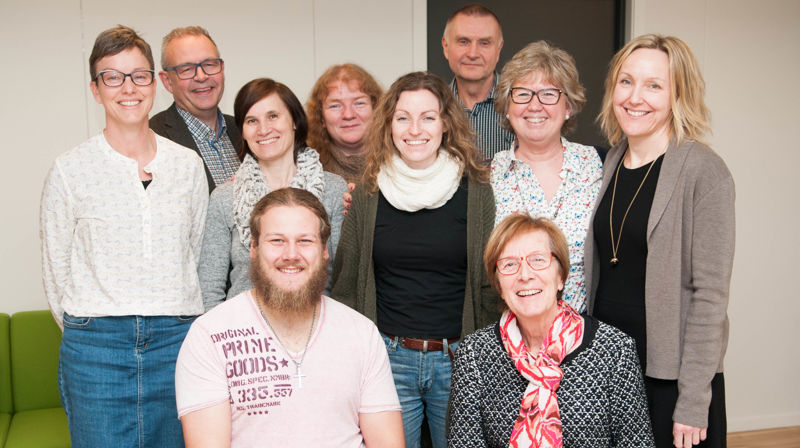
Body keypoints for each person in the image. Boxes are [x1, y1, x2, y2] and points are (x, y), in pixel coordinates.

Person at [40, 25, 208, 447]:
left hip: (177, 339)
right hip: (96, 347)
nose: (127, 87)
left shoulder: (187, 166)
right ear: (96, 89)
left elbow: (199, 252)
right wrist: (91, 325)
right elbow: (55, 268)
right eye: (112, 76)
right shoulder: (69, 169)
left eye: (138, 75)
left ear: (155, 82)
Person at [331, 71, 497, 448]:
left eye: (428, 117)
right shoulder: (369, 191)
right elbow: (345, 283)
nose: (414, 129)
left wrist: (482, 359)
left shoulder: (476, 190)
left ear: (446, 125)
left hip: (458, 360)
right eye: (403, 117)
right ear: (389, 125)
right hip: (387, 361)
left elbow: (489, 286)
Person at [585, 34, 735, 448]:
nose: (636, 97)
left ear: (678, 95)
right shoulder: (609, 162)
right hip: (609, 372)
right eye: (626, 82)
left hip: (670, 380)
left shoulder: (703, 171)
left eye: (654, 85)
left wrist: (692, 402)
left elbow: (710, 297)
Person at [176, 188, 403, 447]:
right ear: (253, 248)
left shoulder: (362, 333)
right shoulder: (210, 335)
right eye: (277, 241)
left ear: (324, 250)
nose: (291, 255)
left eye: (305, 241)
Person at [448, 215, 654, 447]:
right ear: (499, 286)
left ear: (561, 277)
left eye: (538, 260)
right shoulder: (475, 353)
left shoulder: (614, 351)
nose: (524, 275)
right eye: (509, 264)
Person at [198, 78, 347, 312]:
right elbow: (209, 289)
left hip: (314, 327)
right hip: (244, 333)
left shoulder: (334, 190)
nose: (264, 129)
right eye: (251, 121)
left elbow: (342, 280)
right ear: (243, 131)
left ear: (295, 121)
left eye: (273, 116)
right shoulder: (225, 197)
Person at [491, 41, 602, 313]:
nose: (535, 105)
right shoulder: (487, 175)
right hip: (511, 336)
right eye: (522, 94)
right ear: (507, 106)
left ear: (568, 107)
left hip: (585, 333)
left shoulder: (600, 165)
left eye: (549, 94)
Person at [151, 26, 241, 193]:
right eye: (187, 69)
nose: (201, 76)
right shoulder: (152, 139)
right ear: (167, 81)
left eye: (209, 64)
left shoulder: (245, 130)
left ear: (222, 68)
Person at [442, 4, 514, 159]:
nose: (473, 53)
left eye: (484, 43)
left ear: (498, 49)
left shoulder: (523, 104)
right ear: (446, 47)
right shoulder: (434, 107)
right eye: (463, 41)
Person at [306, 63, 382, 184]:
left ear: (376, 109)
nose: (348, 115)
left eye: (359, 103)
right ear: (321, 117)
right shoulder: (305, 171)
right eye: (335, 106)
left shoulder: (401, 163)